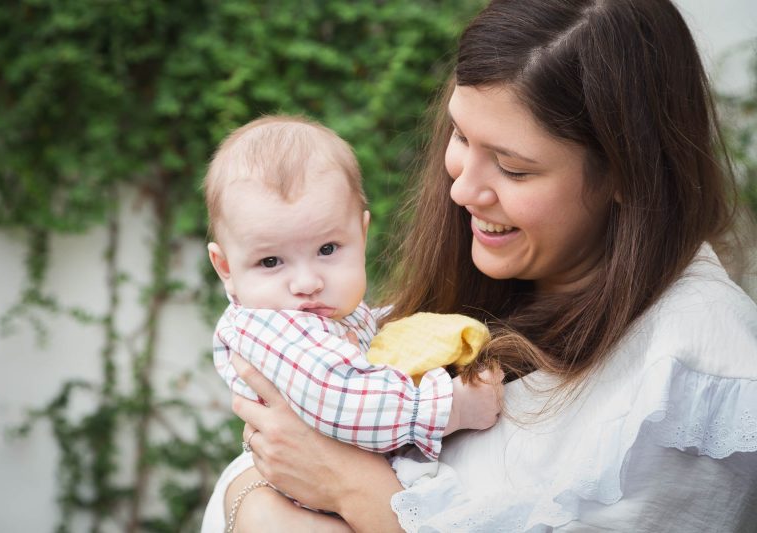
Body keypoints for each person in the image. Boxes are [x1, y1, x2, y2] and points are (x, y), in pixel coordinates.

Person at [202, 0, 757, 531]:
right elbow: (270, 459)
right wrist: (256, 504)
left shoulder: (693, 377)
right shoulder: (459, 301)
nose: (462, 189)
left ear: (626, 172)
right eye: (461, 136)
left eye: (513, 169)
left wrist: (349, 487)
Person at [202, 115, 502, 526]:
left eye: (327, 249)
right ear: (225, 268)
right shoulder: (269, 329)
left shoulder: (325, 313)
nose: (307, 283)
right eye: (271, 261)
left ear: (361, 235)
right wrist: (450, 408)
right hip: (305, 511)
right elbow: (341, 396)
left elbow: (368, 340)